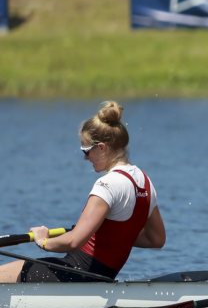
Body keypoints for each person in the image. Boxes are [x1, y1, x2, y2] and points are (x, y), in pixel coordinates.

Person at [0, 101, 166, 283]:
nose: (85, 157)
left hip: (75, 274)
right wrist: (109, 234)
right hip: (101, 277)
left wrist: (43, 241)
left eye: (86, 150)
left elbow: (73, 241)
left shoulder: (107, 184)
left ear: (101, 147)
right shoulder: (146, 183)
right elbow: (156, 239)